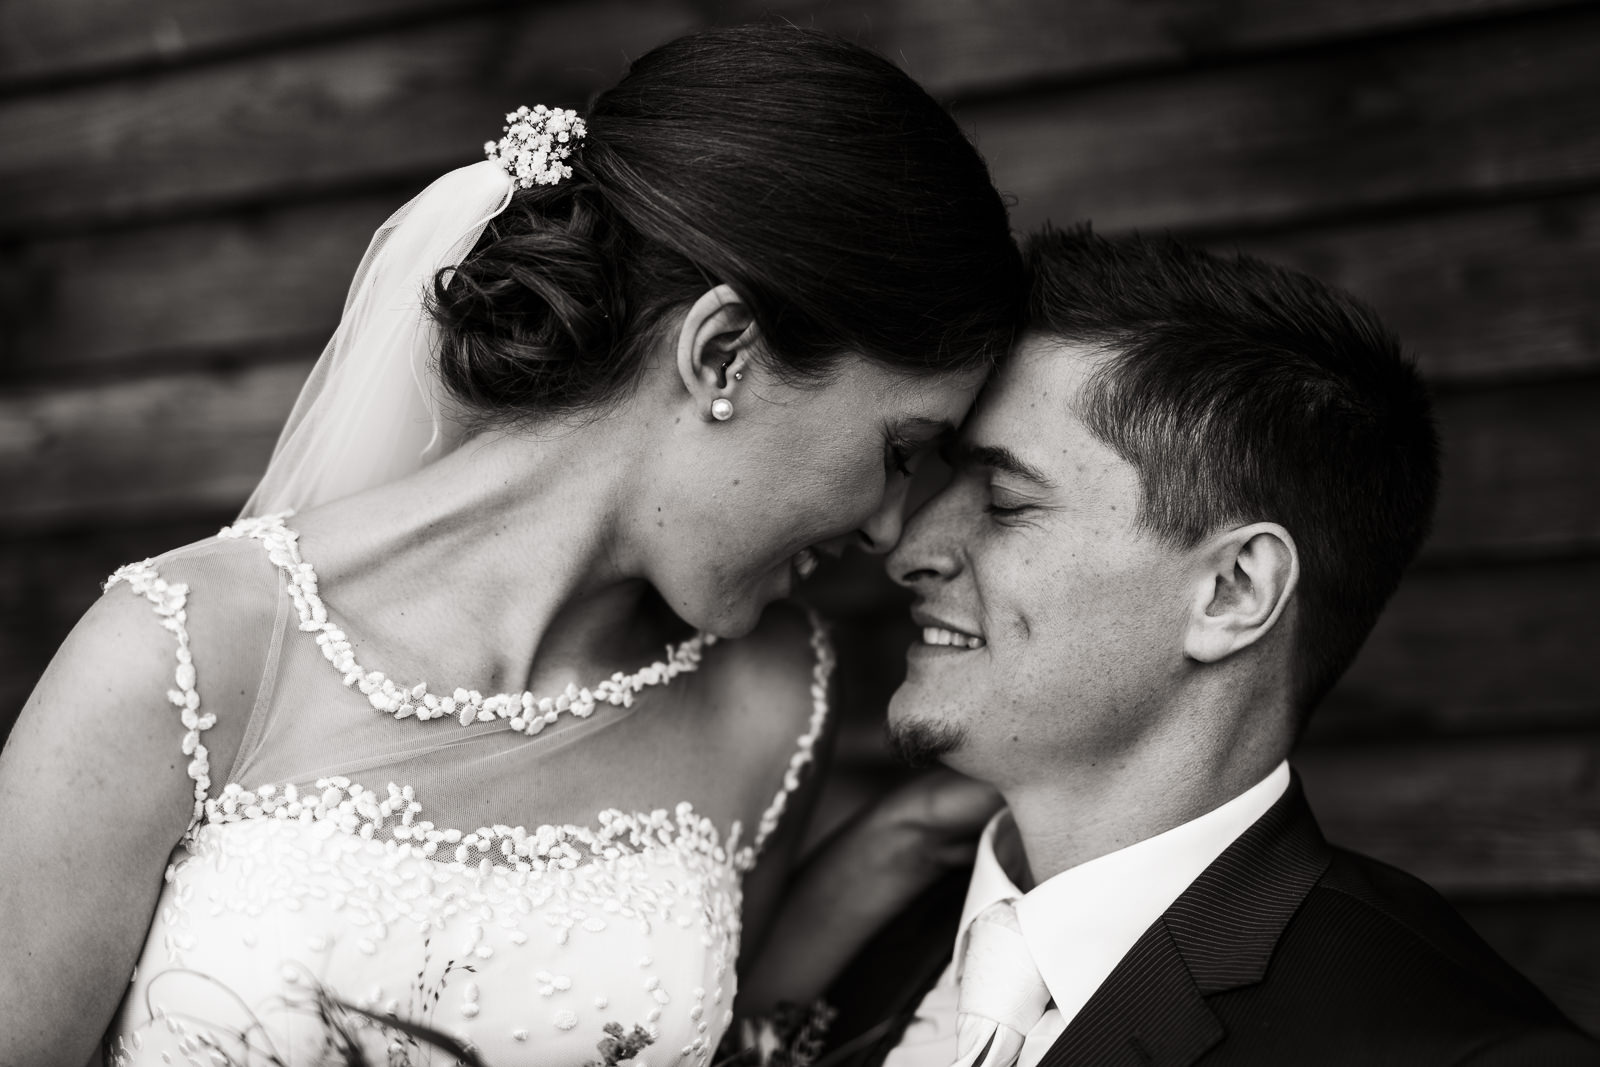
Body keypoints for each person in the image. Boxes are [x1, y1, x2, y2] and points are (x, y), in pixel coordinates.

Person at [0, 25, 1022, 1066]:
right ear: (723, 355)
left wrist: (902, 844)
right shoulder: (179, 657)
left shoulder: (770, 694)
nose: (889, 527)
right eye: (900, 451)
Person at [816, 226, 1600, 1065]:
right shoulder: (845, 933)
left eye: (1005, 500)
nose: (908, 550)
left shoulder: (1457, 1051)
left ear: (1232, 592)